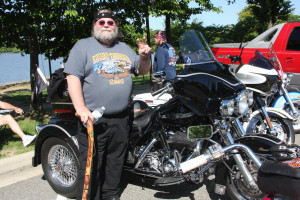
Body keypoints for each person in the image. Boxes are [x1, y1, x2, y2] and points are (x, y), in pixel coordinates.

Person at [64, 9, 151, 200]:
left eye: (110, 22)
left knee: (115, 161)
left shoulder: (125, 48)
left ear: (115, 26)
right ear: (95, 25)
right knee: (92, 165)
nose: (105, 25)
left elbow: (142, 71)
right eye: (101, 22)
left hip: (121, 118)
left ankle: (110, 195)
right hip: (93, 120)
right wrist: (80, 108)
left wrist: (144, 57)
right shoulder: (83, 46)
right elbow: (72, 77)